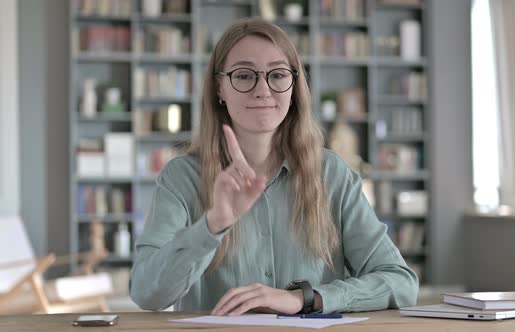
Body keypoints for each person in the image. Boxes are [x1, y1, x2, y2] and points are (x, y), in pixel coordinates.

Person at [130, 17, 418, 315]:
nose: (263, 89)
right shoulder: (182, 178)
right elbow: (146, 293)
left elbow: (400, 282)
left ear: (294, 87)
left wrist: (304, 299)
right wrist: (212, 224)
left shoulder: (331, 173)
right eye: (244, 75)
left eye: (278, 75)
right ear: (219, 88)